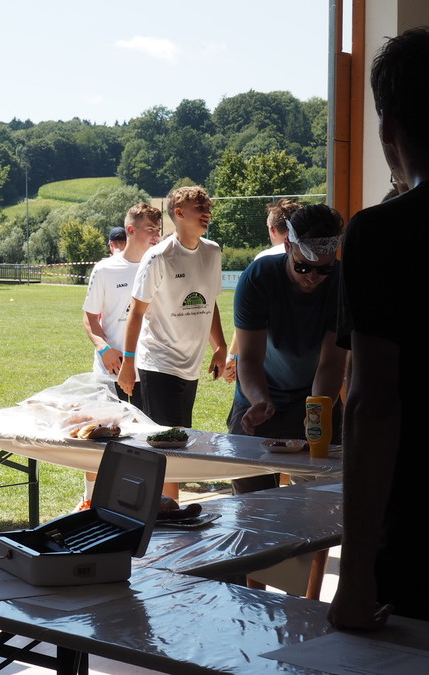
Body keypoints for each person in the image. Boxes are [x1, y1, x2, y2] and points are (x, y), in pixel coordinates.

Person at [328, 27, 429, 629]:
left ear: (388, 126)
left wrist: (355, 573)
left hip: (420, 531)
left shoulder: (384, 233)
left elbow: (372, 404)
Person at [228, 204, 345, 494]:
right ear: (288, 247)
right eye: (303, 267)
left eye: (324, 269)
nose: (313, 277)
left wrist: (318, 409)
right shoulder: (259, 278)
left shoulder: (342, 283)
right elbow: (250, 358)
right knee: (251, 499)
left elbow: (332, 363)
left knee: (323, 500)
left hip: (315, 397)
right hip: (257, 398)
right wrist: (259, 401)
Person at [116, 186, 227, 428]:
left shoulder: (213, 251)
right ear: (179, 213)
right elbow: (136, 312)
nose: (207, 212)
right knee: (168, 440)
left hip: (191, 365)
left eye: (208, 207)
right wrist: (128, 362)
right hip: (159, 363)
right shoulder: (159, 256)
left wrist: (220, 346)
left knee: (181, 435)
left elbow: (209, 302)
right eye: (199, 208)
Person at [77, 204, 161, 510]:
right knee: (99, 437)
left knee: (143, 440)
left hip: (149, 369)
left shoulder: (159, 264)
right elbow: (89, 317)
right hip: (109, 369)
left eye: (159, 230)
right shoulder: (105, 269)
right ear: (131, 230)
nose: (156, 235)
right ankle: (89, 499)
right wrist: (104, 348)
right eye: (150, 229)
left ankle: (135, 504)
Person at [223, 199, 303, 383]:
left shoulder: (262, 262)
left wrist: (233, 355)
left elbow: (247, 319)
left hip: (270, 366)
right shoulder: (314, 258)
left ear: (272, 229)